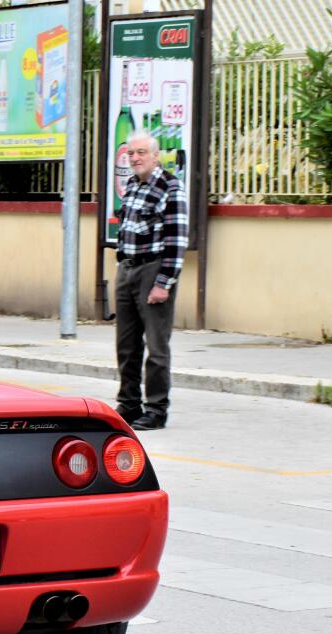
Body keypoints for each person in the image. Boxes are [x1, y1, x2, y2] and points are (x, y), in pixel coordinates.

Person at [113, 130, 188, 431]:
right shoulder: (132, 185)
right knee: (126, 345)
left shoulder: (170, 187)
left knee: (156, 347)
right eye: (131, 153)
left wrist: (163, 282)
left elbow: (176, 238)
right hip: (127, 269)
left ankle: (156, 409)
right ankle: (128, 404)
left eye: (141, 152)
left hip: (152, 270)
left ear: (156, 156)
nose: (135, 158)